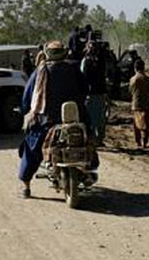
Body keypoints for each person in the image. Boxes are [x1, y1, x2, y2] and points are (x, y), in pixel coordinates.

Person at [19, 40, 87, 198]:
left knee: (30, 148)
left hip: (46, 123)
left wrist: (23, 110)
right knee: (88, 137)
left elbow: (27, 96)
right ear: (64, 53)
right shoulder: (73, 68)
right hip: (77, 119)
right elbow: (85, 89)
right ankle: (87, 171)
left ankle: (26, 187)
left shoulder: (40, 71)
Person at [81, 41, 108, 145]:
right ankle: (99, 139)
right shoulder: (102, 61)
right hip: (100, 92)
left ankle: (90, 139)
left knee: (89, 117)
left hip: (89, 93)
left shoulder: (85, 61)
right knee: (100, 117)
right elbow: (104, 76)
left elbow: (83, 77)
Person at [129, 59, 149, 148]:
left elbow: (130, 91)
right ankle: (145, 142)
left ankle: (138, 142)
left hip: (135, 104)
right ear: (143, 68)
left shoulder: (132, 79)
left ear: (135, 68)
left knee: (136, 124)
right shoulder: (147, 79)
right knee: (145, 124)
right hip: (145, 103)